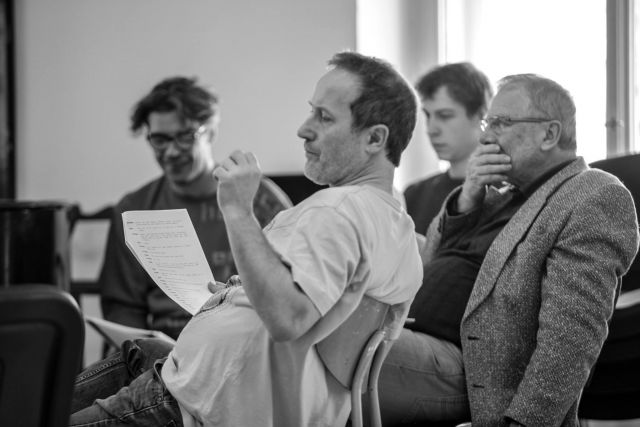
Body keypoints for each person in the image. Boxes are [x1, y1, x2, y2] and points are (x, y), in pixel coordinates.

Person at [69, 51, 423, 427]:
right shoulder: (392, 222)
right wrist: (235, 294)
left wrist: (237, 210)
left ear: (375, 138)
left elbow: (288, 317)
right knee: (129, 355)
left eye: (324, 117)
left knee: (38, 405)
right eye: (311, 111)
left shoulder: (336, 211)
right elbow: (305, 292)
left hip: (193, 400)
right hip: (192, 372)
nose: (303, 129)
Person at [377, 74, 639, 426]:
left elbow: (569, 340)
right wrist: (467, 197)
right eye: (488, 124)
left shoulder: (592, 194)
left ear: (549, 134)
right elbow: (426, 263)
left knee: (322, 344)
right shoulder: (498, 196)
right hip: (411, 335)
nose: (485, 137)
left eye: (501, 123)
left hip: (470, 371)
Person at [98, 76, 292, 339]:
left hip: (242, 339)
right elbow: (122, 306)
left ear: (210, 132)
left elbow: (288, 294)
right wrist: (145, 349)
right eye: (160, 139)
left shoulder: (259, 199)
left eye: (184, 137)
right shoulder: (133, 209)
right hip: (165, 347)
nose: (171, 151)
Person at [404, 62, 492, 235]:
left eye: (445, 116)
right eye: (428, 115)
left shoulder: (506, 195)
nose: (431, 129)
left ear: (480, 115)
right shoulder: (414, 195)